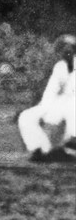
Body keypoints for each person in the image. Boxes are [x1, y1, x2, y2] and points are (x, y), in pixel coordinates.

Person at [18, 34, 76, 162]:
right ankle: (41, 149)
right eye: (63, 48)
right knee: (26, 116)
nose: (67, 51)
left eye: (70, 48)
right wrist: (42, 108)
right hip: (59, 105)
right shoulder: (59, 67)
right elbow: (50, 93)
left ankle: (68, 143)